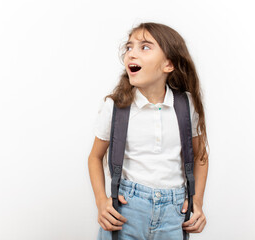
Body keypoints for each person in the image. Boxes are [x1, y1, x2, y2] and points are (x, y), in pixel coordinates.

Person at [88, 22, 209, 240]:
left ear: (168, 64)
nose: (131, 53)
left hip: (174, 214)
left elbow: (200, 157)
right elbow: (95, 157)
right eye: (129, 47)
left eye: (144, 47)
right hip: (126, 212)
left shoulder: (185, 105)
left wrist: (196, 201)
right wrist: (101, 202)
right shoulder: (116, 106)